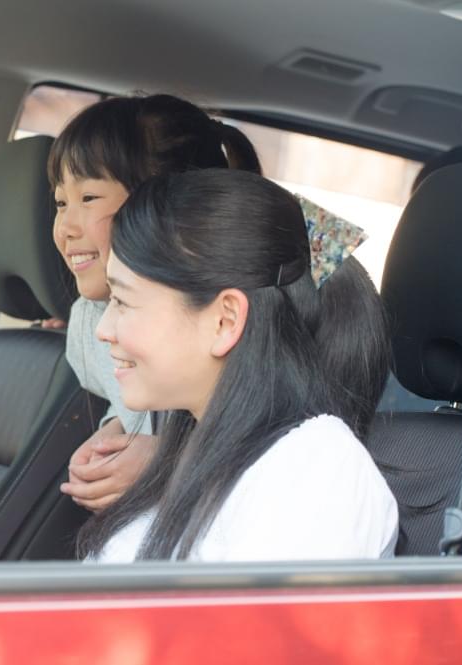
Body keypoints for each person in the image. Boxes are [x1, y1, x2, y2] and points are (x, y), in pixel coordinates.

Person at [81, 169, 398, 562]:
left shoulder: (316, 471)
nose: (103, 330)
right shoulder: (193, 456)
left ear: (225, 321)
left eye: (124, 302)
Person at [50, 94, 262, 512]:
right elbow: (123, 395)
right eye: (59, 203)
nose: (65, 226)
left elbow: (269, 433)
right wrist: (118, 432)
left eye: (88, 198)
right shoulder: (88, 321)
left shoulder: (251, 316)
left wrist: (166, 459)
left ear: (166, 203)